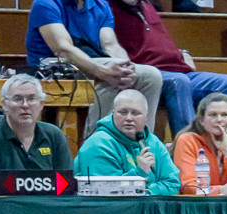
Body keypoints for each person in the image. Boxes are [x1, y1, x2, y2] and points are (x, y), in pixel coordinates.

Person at [26, 0, 162, 136]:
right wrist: (102, 71)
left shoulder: (100, 5)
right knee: (111, 78)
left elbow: (110, 45)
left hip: (94, 61)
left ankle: (140, 142)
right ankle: (96, 143)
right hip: (55, 68)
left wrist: (126, 68)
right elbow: (63, 49)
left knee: (151, 76)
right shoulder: (45, 4)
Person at [106, 0, 227, 135]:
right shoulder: (108, 9)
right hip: (152, 74)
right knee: (179, 81)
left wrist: (183, 52)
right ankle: (187, 149)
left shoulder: (147, 6)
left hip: (179, 69)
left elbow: (160, 43)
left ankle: (221, 146)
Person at [0, 74, 73, 197]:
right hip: (6, 212)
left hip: (47, 211)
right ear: (4, 105)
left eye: (32, 98)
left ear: (42, 104)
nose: (25, 105)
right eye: (17, 99)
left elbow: (67, 184)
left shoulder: (54, 135)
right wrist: (24, 188)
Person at [74, 88, 180, 195]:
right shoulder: (98, 144)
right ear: (113, 114)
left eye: (135, 113)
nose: (129, 118)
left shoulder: (153, 142)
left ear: (146, 117)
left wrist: (146, 192)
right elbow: (106, 193)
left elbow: (173, 184)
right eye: (123, 112)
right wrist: (140, 173)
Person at [172, 93, 227, 196]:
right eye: (213, 115)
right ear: (201, 120)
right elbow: (188, 186)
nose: (219, 120)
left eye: (224, 115)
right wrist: (221, 190)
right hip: (196, 207)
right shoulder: (187, 141)